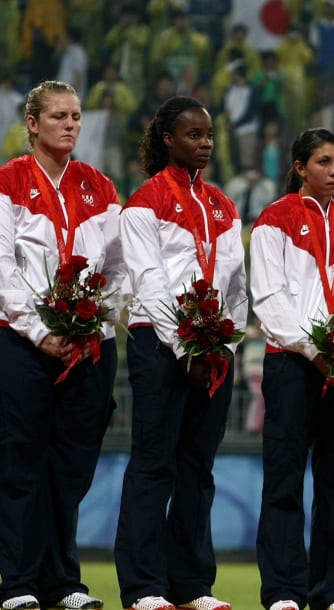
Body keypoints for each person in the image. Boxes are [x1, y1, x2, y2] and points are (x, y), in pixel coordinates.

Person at [114, 96, 248, 610]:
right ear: (168, 139)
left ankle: (192, 585)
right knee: (154, 464)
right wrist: (184, 346)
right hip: (160, 342)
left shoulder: (224, 205)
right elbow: (148, 281)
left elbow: (236, 284)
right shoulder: (145, 202)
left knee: (198, 466)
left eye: (210, 135)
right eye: (193, 135)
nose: (205, 143)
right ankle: (143, 586)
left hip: (212, 347)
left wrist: (222, 341)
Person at [0, 80, 123, 610]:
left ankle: (64, 581)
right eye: (58, 116)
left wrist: (91, 322)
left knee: (71, 468)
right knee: (21, 464)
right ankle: (17, 583)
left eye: (75, 116)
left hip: (88, 346)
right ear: (32, 123)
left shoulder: (101, 186)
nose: (71, 124)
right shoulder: (7, 182)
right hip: (23, 344)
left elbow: (118, 269)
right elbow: (2, 267)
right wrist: (39, 329)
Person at [250, 128, 334, 610]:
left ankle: (331, 589)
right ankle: (283, 590)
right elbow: (268, 298)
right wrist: (315, 349)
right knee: (284, 477)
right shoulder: (274, 219)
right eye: (324, 161)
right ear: (301, 167)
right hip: (292, 364)